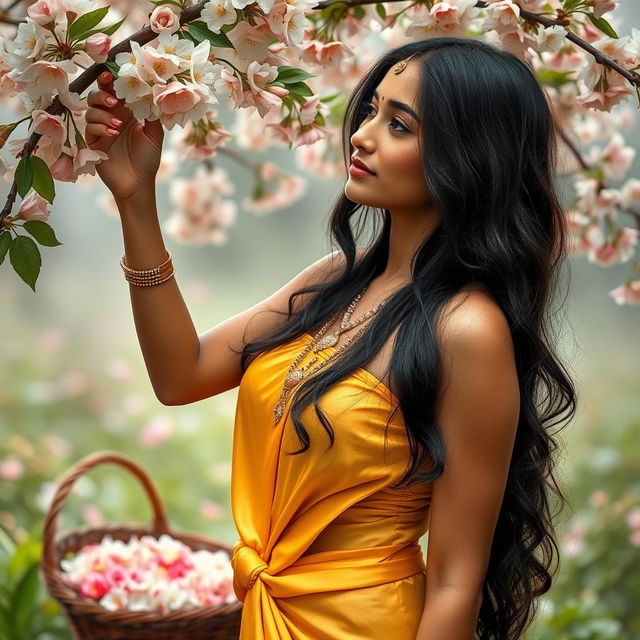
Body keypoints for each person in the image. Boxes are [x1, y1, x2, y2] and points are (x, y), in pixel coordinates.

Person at [86, 35, 577, 640]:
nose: (362, 135)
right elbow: (181, 374)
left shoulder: (467, 329)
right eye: (372, 110)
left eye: (399, 125)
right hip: (266, 615)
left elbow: (454, 579)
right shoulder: (337, 279)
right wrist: (136, 202)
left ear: (469, 157)